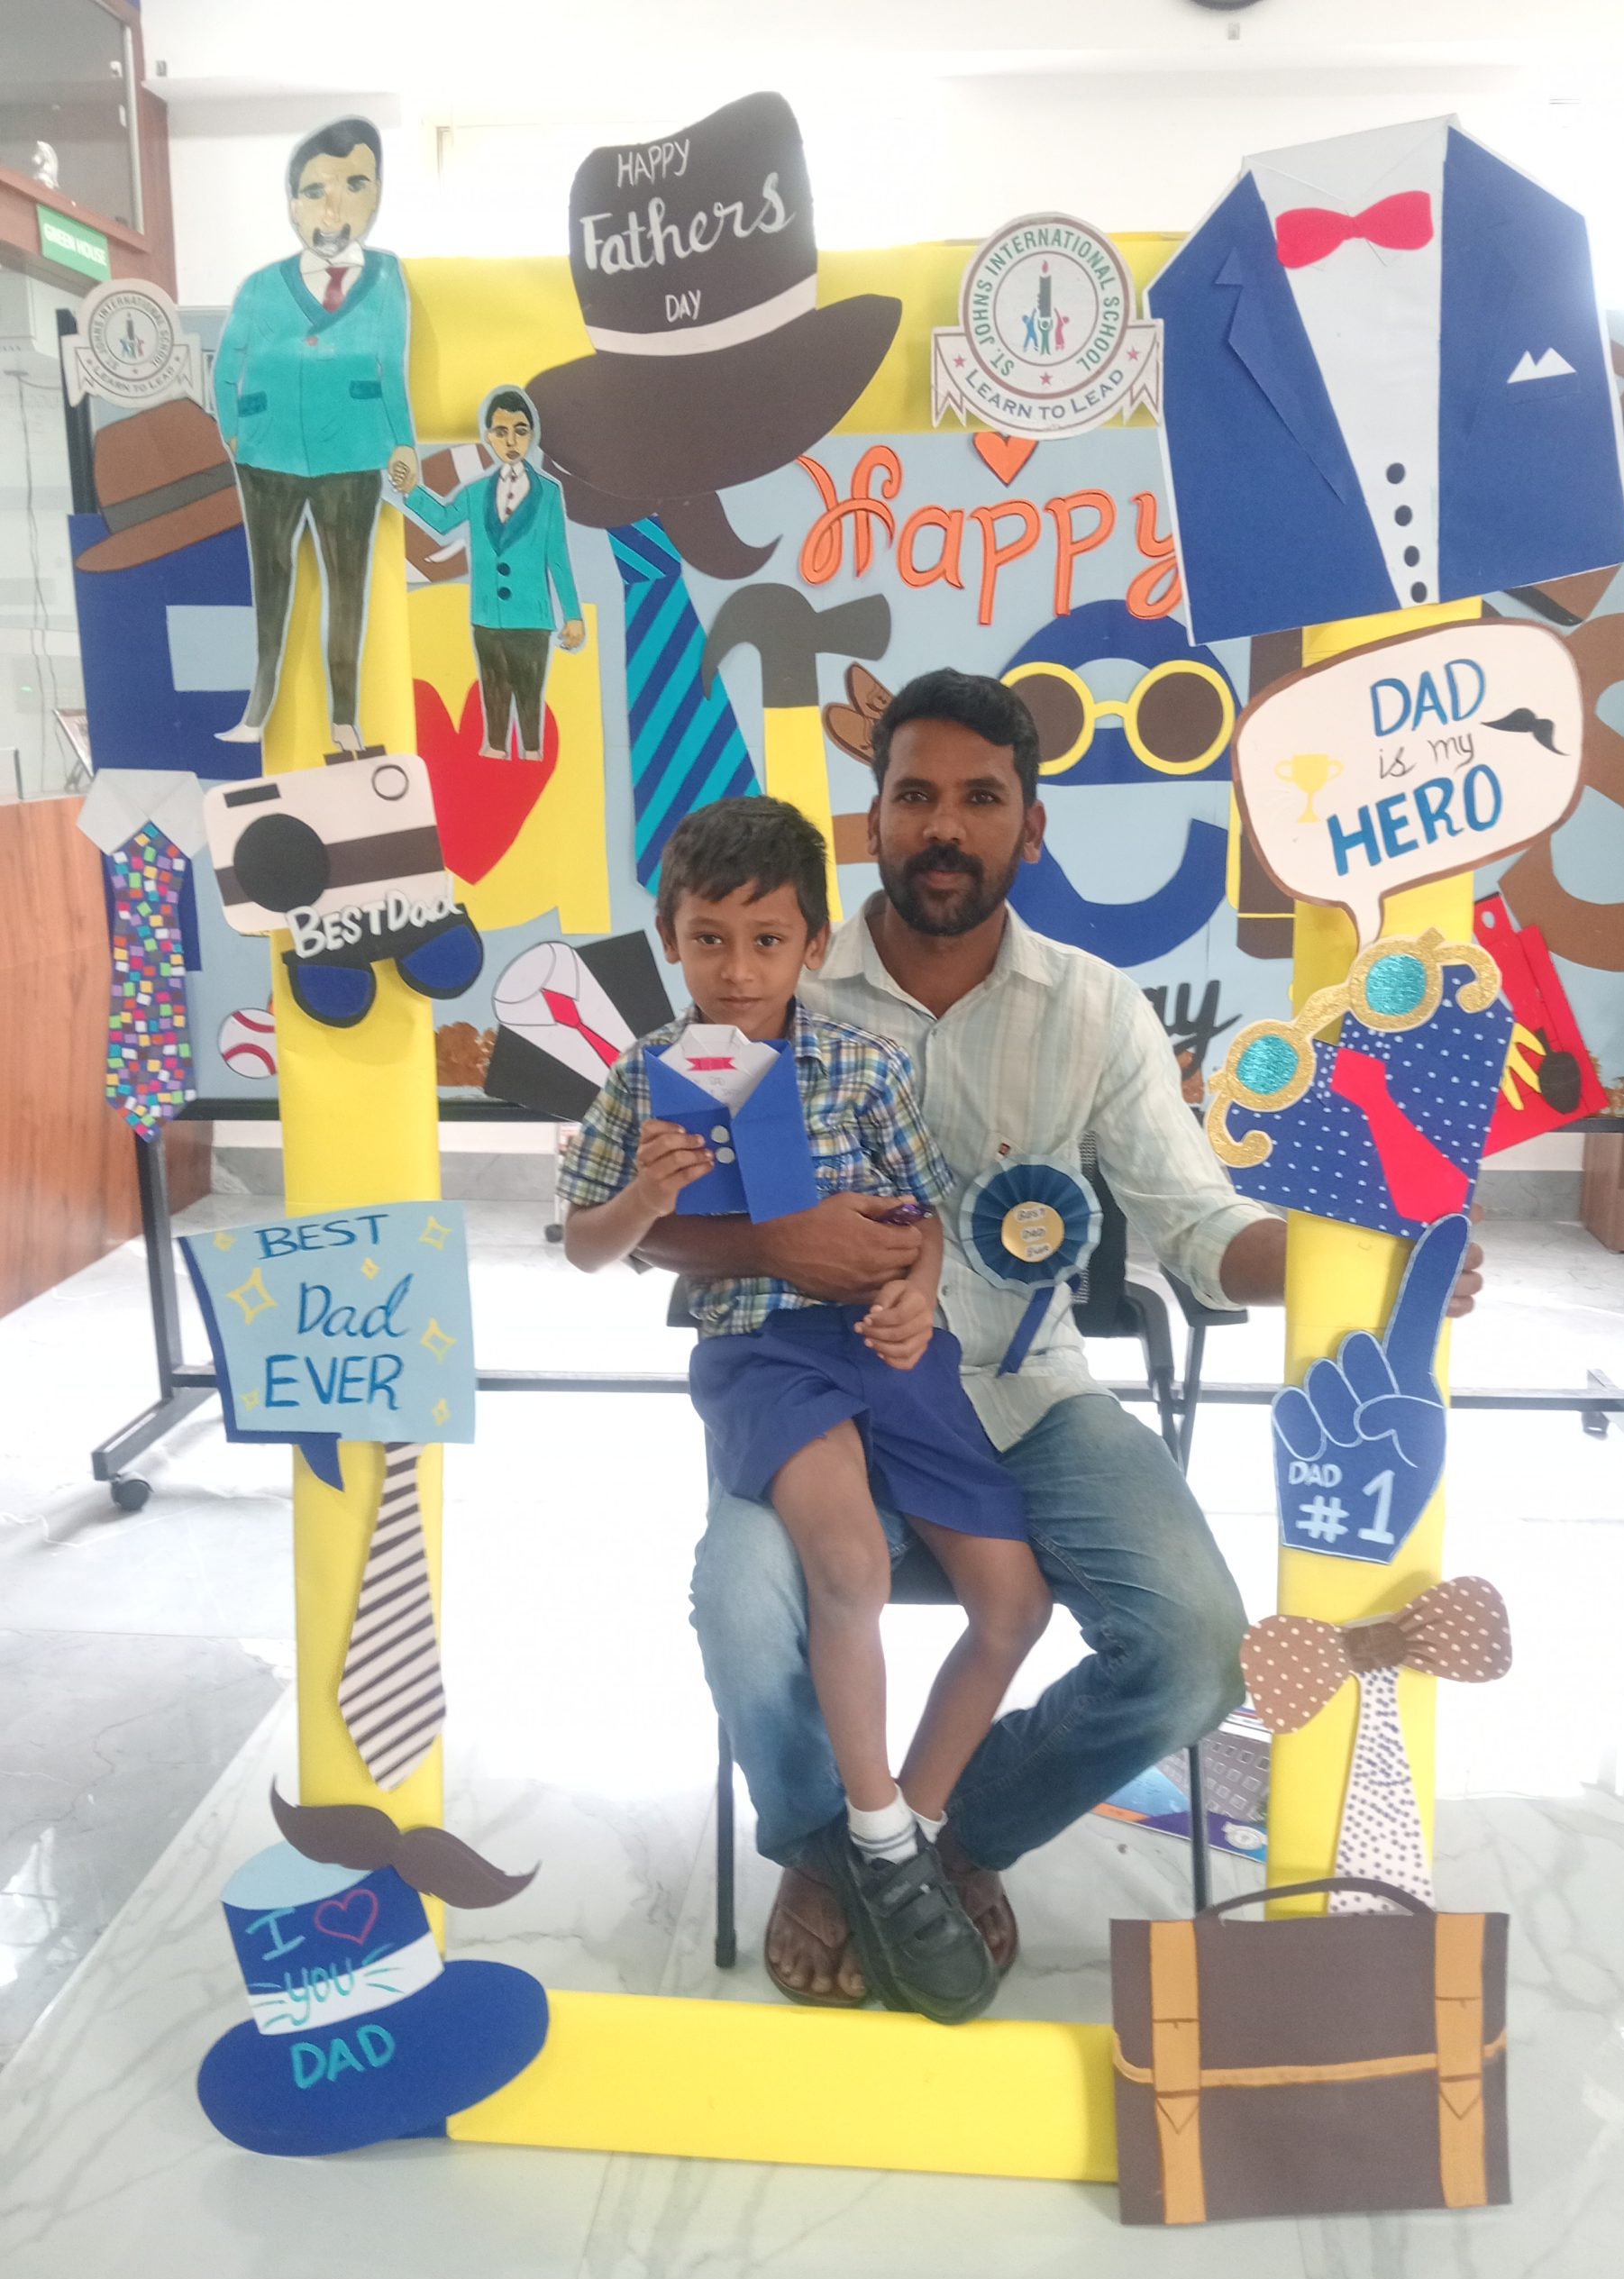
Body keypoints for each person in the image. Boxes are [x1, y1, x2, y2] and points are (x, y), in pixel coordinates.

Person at [637, 669, 1484, 2007]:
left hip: (1027, 1395)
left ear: (1029, 828)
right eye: (916, 795)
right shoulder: (774, 976)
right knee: (738, 1607)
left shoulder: (1094, 1008)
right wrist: (770, 1249)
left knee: (1196, 1649)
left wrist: (1354, 1255)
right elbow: (655, 1218)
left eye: (981, 799)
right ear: (873, 817)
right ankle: (824, 1853)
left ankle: (949, 1837)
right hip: (820, 1401)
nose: (944, 826)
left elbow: (1196, 1226)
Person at [560, 797, 1054, 2024]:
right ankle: (874, 1836)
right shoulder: (643, 1080)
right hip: (763, 1353)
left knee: (1013, 1601)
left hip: (889, 1348)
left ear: (814, 946)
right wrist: (647, 1198)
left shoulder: (862, 1066)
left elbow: (923, 1216)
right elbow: (585, 1244)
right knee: (848, 1567)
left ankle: (902, 1836)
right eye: (709, 939)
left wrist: (919, 1294)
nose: (737, 969)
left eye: (767, 940)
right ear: (670, 939)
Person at [213, 117, 416, 752]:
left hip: (351, 453)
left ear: (376, 195)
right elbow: (226, 366)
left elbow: (392, 366)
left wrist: (403, 442)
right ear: (293, 204)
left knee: (347, 588)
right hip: (266, 454)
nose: (332, 207)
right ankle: (259, 706)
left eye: (354, 184)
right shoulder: (259, 286)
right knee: (269, 582)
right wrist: (233, 432)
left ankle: (344, 715)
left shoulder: (387, 278)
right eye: (314, 190)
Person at [399, 387, 586, 761]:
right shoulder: (477, 491)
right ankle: (496, 751)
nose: (511, 441)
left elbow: (558, 557)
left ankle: (531, 754)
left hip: (531, 618)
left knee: (530, 697)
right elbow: (442, 520)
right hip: (487, 616)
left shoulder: (548, 493)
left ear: (531, 435)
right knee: (494, 695)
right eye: (501, 432)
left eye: (520, 431)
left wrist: (573, 615)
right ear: (489, 437)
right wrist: (411, 492)